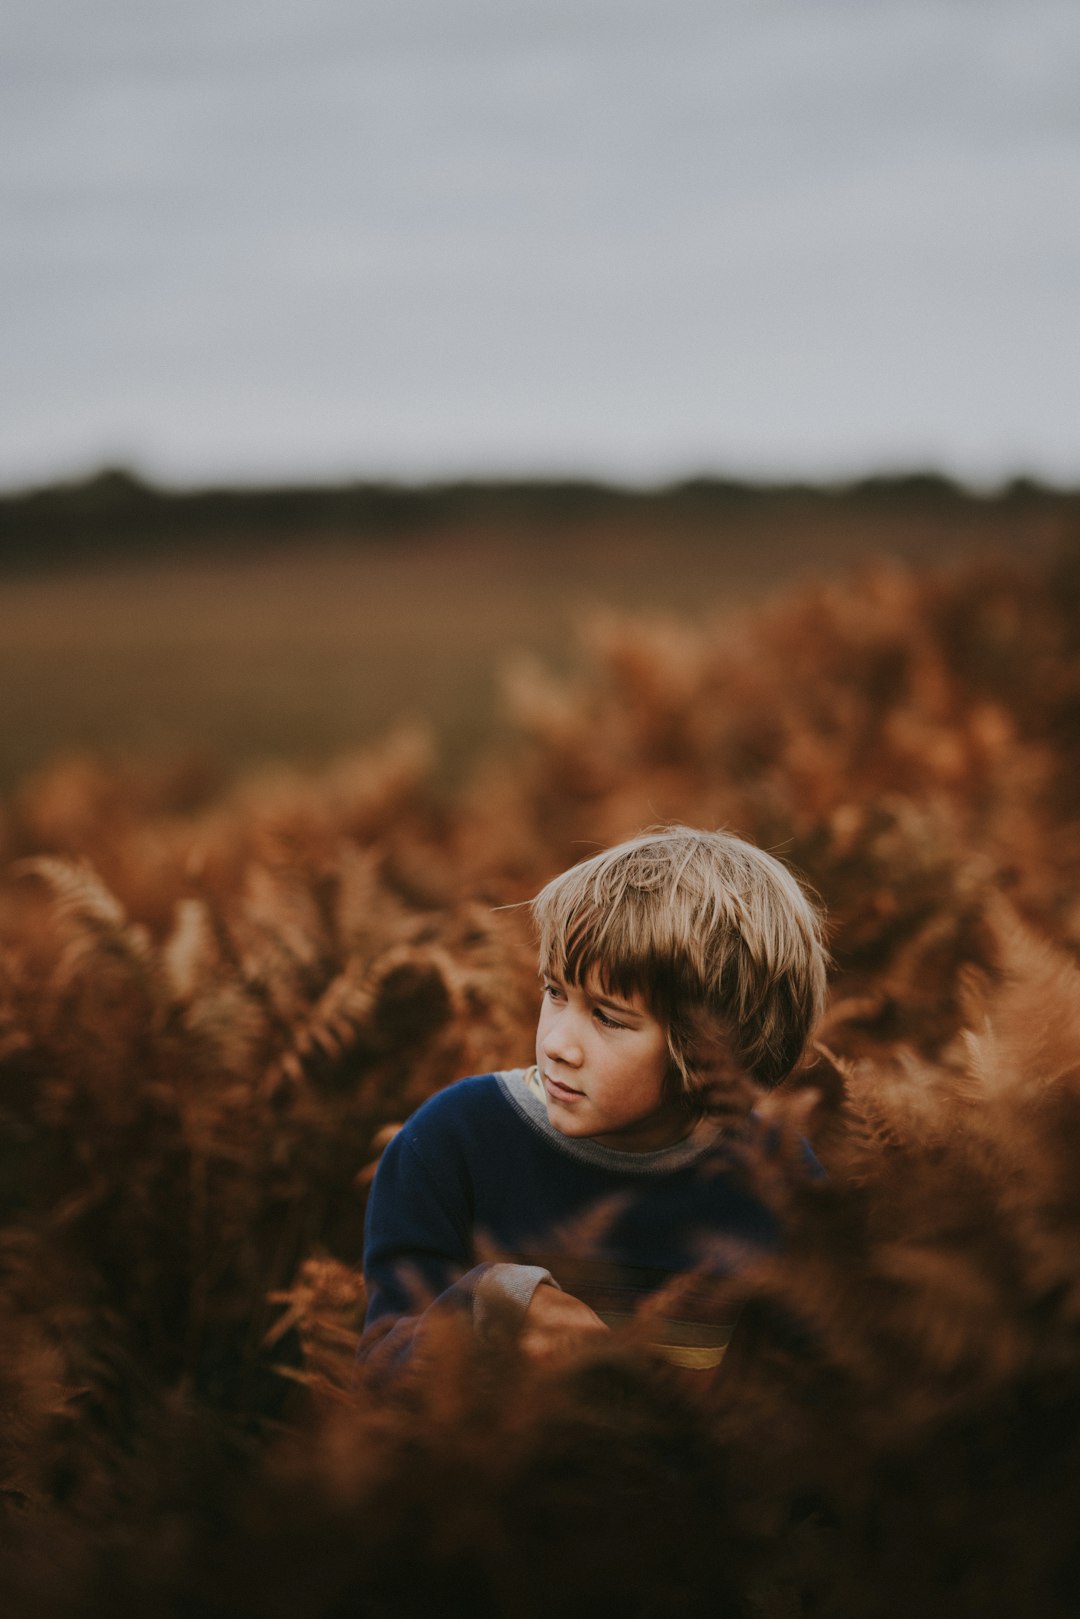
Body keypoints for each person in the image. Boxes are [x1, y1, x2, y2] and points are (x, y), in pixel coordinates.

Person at [359, 825, 827, 1377]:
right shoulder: (452, 1141)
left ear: (712, 1048)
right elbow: (379, 1377)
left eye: (608, 1017)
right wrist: (496, 1301)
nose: (558, 1044)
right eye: (555, 992)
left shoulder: (778, 1182)